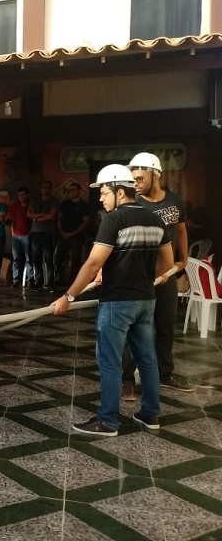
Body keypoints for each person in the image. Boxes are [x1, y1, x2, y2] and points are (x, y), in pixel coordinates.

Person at [51, 164, 173, 436]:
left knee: (109, 361)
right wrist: (133, 272)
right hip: (146, 301)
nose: (101, 198)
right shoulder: (156, 220)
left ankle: (107, 421)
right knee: (147, 359)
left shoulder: (113, 220)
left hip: (117, 302)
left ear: (120, 192)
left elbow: (93, 262)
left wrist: (67, 296)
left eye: (104, 192)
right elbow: (165, 264)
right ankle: (150, 415)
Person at [122, 152, 193, 397]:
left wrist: (182, 260)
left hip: (167, 277)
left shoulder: (175, 201)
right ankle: (126, 379)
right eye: (133, 180)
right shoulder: (132, 202)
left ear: (156, 175)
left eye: (140, 178)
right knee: (134, 328)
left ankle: (165, 373)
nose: (136, 184)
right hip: (139, 278)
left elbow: (181, 230)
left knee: (165, 326)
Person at [54, 182, 91, 289]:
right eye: (70, 190)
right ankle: (58, 280)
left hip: (77, 236)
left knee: (75, 259)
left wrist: (72, 233)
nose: (71, 192)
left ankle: (73, 283)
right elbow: (59, 219)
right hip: (63, 235)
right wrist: (62, 232)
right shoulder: (65, 204)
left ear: (79, 191)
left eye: (73, 190)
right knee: (58, 257)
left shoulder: (84, 205)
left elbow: (85, 222)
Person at [28, 180, 59, 292]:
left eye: (47, 187)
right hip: (35, 232)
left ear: (50, 189)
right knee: (36, 258)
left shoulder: (54, 201)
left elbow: (51, 216)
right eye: (42, 187)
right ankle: (38, 282)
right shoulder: (35, 200)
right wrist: (40, 216)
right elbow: (29, 214)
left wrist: (36, 218)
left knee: (48, 258)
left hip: (48, 232)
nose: (44, 189)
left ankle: (50, 283)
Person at [7, 186, 33, 288]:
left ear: (27, 195)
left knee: (28, 258)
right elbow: (12, 220)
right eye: (19, 195)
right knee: (16, 258)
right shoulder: (15, 206)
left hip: (27, 235)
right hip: (16, 235)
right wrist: (13, 232)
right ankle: (15, 280)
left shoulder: (31, 205)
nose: (21, 197)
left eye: (23, 195)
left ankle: (30, 279)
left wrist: (29, 233)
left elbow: (33, 222)